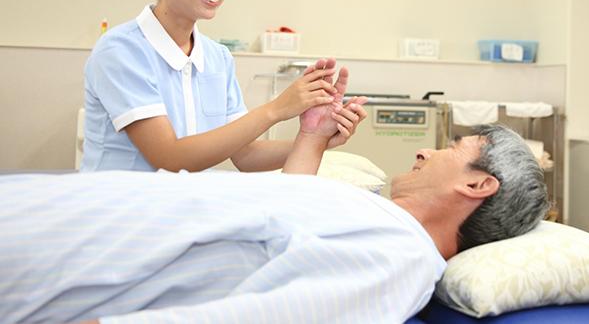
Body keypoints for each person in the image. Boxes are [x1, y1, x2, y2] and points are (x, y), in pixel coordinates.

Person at [0, 124, 548, 324]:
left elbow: (268, 317)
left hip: (52, 258)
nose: (426, 153)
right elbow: (289, 202)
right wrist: (311, 133)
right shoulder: (374, 212)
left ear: (478, 186)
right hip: (60, 212)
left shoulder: (401, 261)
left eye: (454, 148)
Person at [81, 0, 366, 173]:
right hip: (121, 213)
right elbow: (169, 157)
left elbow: (246, 155)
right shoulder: (121, 50)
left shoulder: (216, 58)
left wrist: (315, 138)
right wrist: (277, 109)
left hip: (184, 212)